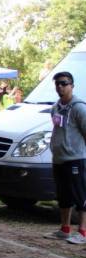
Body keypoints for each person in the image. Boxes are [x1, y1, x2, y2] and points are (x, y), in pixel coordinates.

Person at [45, 72, 86, 243]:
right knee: (63, 195)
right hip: (59, 159)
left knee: (80, 195)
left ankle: (82, 232)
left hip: (76, 158)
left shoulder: (79, 108)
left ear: (72, 85)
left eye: (64, 83)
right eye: (57, 84)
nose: (60, 87)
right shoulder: (56, 107)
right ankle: (65, 229)